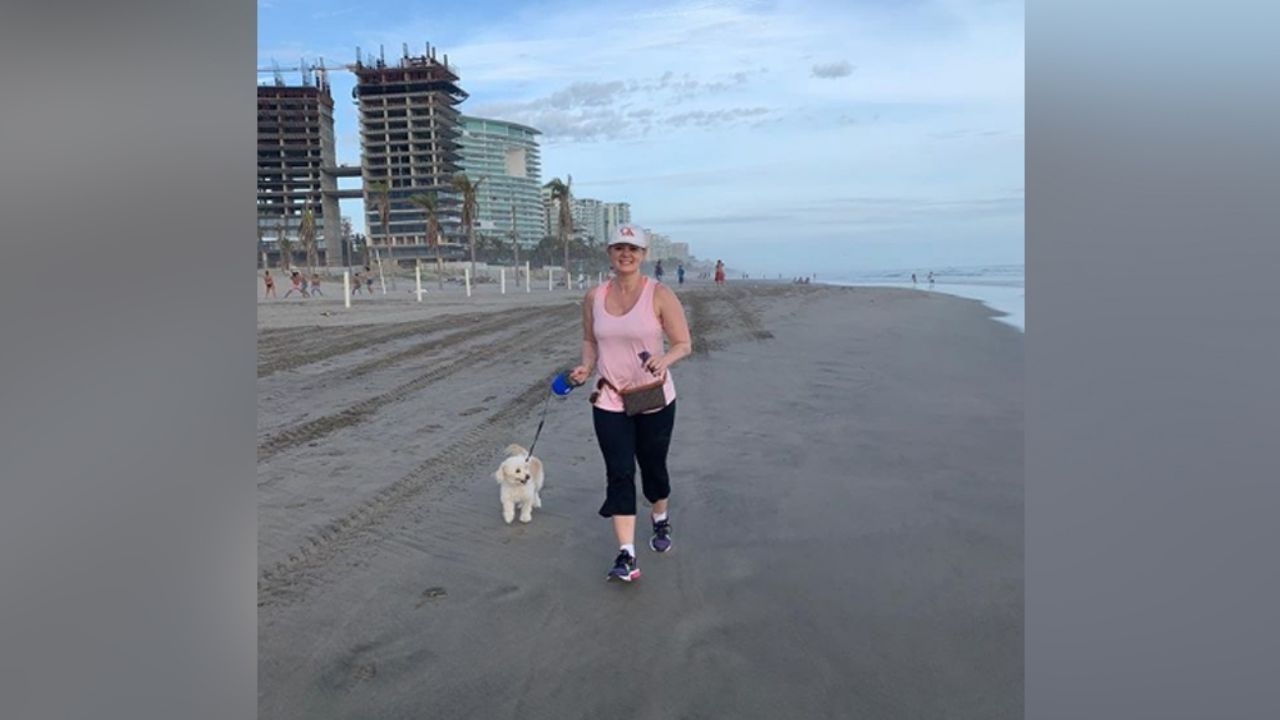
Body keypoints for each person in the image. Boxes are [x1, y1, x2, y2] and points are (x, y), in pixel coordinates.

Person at [568, 223, 693, 584]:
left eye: (633, 249)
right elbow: (590, 340)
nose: (626, 254)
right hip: (608, 396)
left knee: (653, 468)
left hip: (652, 396)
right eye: (619, 248)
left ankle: (660, 517)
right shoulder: (594, 296)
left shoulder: (660, 294)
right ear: (610, 253)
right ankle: (627, 555)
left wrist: (664, 361)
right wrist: (586, 367)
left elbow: (684, 344)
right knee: (620, 471)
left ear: (643, 255)